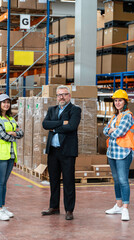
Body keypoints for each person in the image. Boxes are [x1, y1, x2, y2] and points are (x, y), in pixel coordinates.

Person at [41, 85, 81, 220]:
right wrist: (61, 123)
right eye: (59, 95)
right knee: (53, 180)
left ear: (69, 96)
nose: (61, 97)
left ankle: (69, 210)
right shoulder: (52, 110)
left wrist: (55, 127)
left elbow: (71, 126)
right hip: (53, 151)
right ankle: (54, 207)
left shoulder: (75, 110)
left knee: (69, 181)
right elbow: (45, 124)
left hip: (67, 152)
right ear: (56, 97)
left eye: (64, 94)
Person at [0, 94, 24, 221]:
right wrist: (15, 134)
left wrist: (14, 133)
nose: (6, 104)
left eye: (8, 102)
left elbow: (22, 133)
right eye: (3, 102)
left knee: (4, 183)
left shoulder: (11, 119)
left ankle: (3, 207)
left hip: (10, 154)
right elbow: (4, 136)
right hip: (0, 155)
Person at [103, 89, 134, 221]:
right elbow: (105, 130)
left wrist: (111, 130)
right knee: (116, 180)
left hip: (123, 153)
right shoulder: (114, 116)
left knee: (123, 180)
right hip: (112, 152)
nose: (117, 103)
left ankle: (125, 209)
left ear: (125, 102)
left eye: (120, 100)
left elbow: (119, 133)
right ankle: (118, 205)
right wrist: (111, 130)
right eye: (115, 100)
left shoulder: (128, 115)